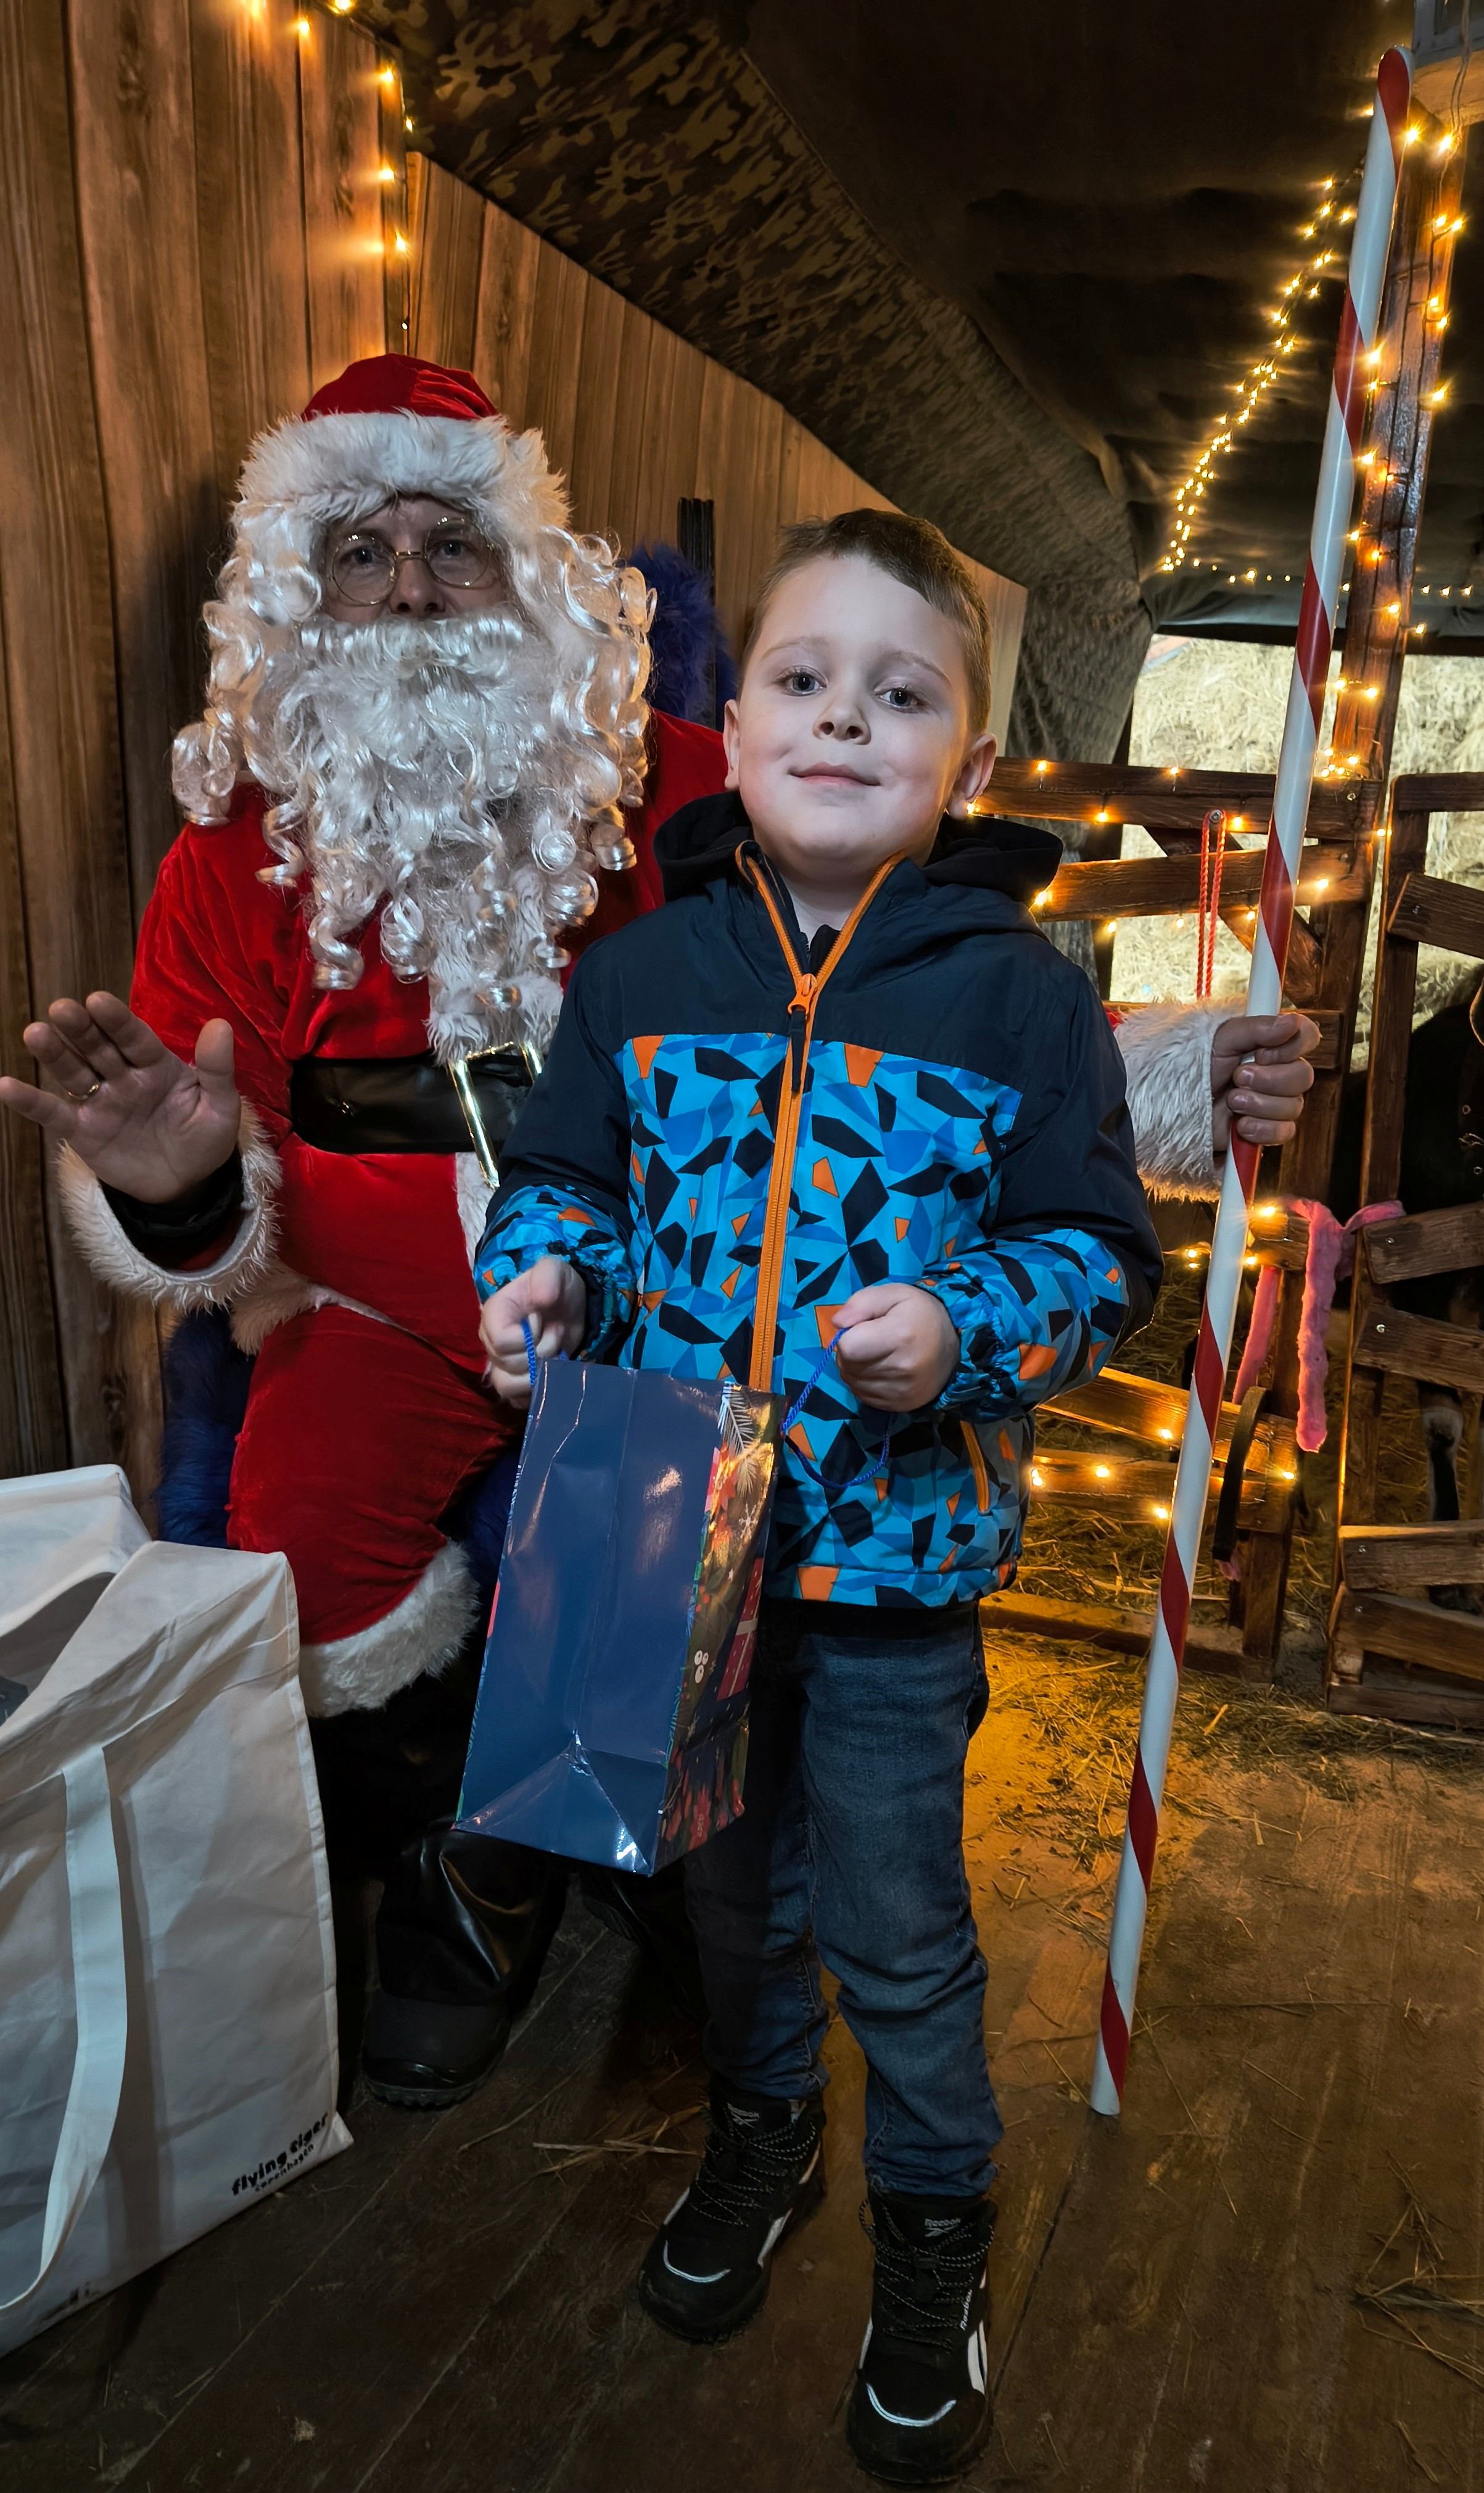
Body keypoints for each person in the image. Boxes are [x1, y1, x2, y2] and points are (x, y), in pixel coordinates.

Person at [0, 354, 1313, 2122]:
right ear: (297, 591)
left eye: (453, 546)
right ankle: (477, 1868)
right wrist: (178, 1188)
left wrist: (1175, 1070)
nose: (409, 593)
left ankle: (625, 1854)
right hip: (375, 1291)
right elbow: (183, 1145)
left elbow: (908, 985)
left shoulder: (699, 772)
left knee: (661, 1506)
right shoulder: (228, 854)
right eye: (361, 552)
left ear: (531, 571)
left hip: (664, 1289)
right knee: (305, 1548)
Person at [474, 508, 1165, 2484]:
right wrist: (545, 1275)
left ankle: (935, 2224)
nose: (845, 718)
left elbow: (1098, 1250)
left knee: (894, 1917)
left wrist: (967, 1327)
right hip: (665, 1529)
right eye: (803, 677)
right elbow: (566, 1183)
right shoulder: (640, 971)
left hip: (892, 1568)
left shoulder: (1018, 995)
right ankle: (765, 2135)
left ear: (967, 756)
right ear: (735, 717)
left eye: (902, 693)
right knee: (724, 1887)